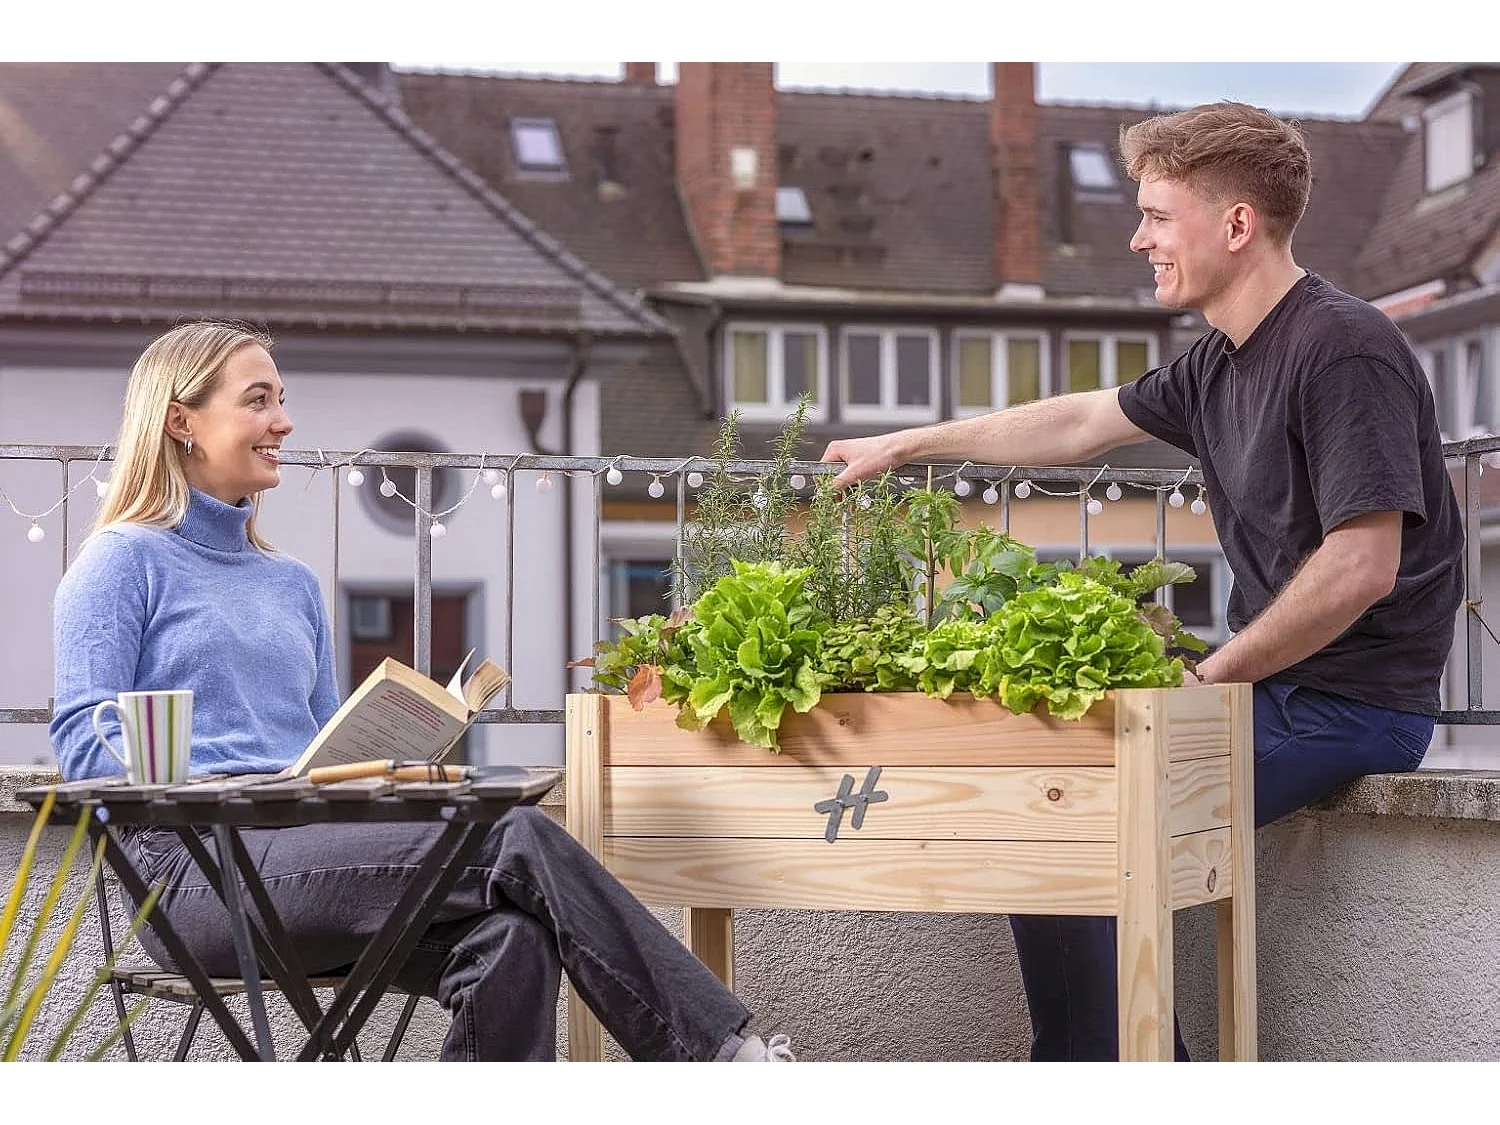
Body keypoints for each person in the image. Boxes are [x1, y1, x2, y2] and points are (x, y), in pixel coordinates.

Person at [822, 101, 1463, 1061]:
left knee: (1076, 827)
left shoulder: (1344, 347)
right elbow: (1077, 423)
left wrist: (1210, 678)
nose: (1138, 238)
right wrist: (909, 442)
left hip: (1351, 705)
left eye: (1159, 216)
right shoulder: (1220, 363)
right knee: (1047, 804)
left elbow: (1361, 564)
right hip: (1272, 694)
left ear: (1236, 224)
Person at [50, 321, 795, 1063]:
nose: (283, 420)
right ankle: (726, 1063)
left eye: (281, 398)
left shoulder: (292, 584)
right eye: (257, 400)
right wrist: (213, 780)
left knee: (511, 939)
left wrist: (385, 761)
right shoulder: (122, 563)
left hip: (307, 855)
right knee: (513, 833)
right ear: (181, 418)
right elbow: (85, 744)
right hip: (195, 877)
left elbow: (320, 747)